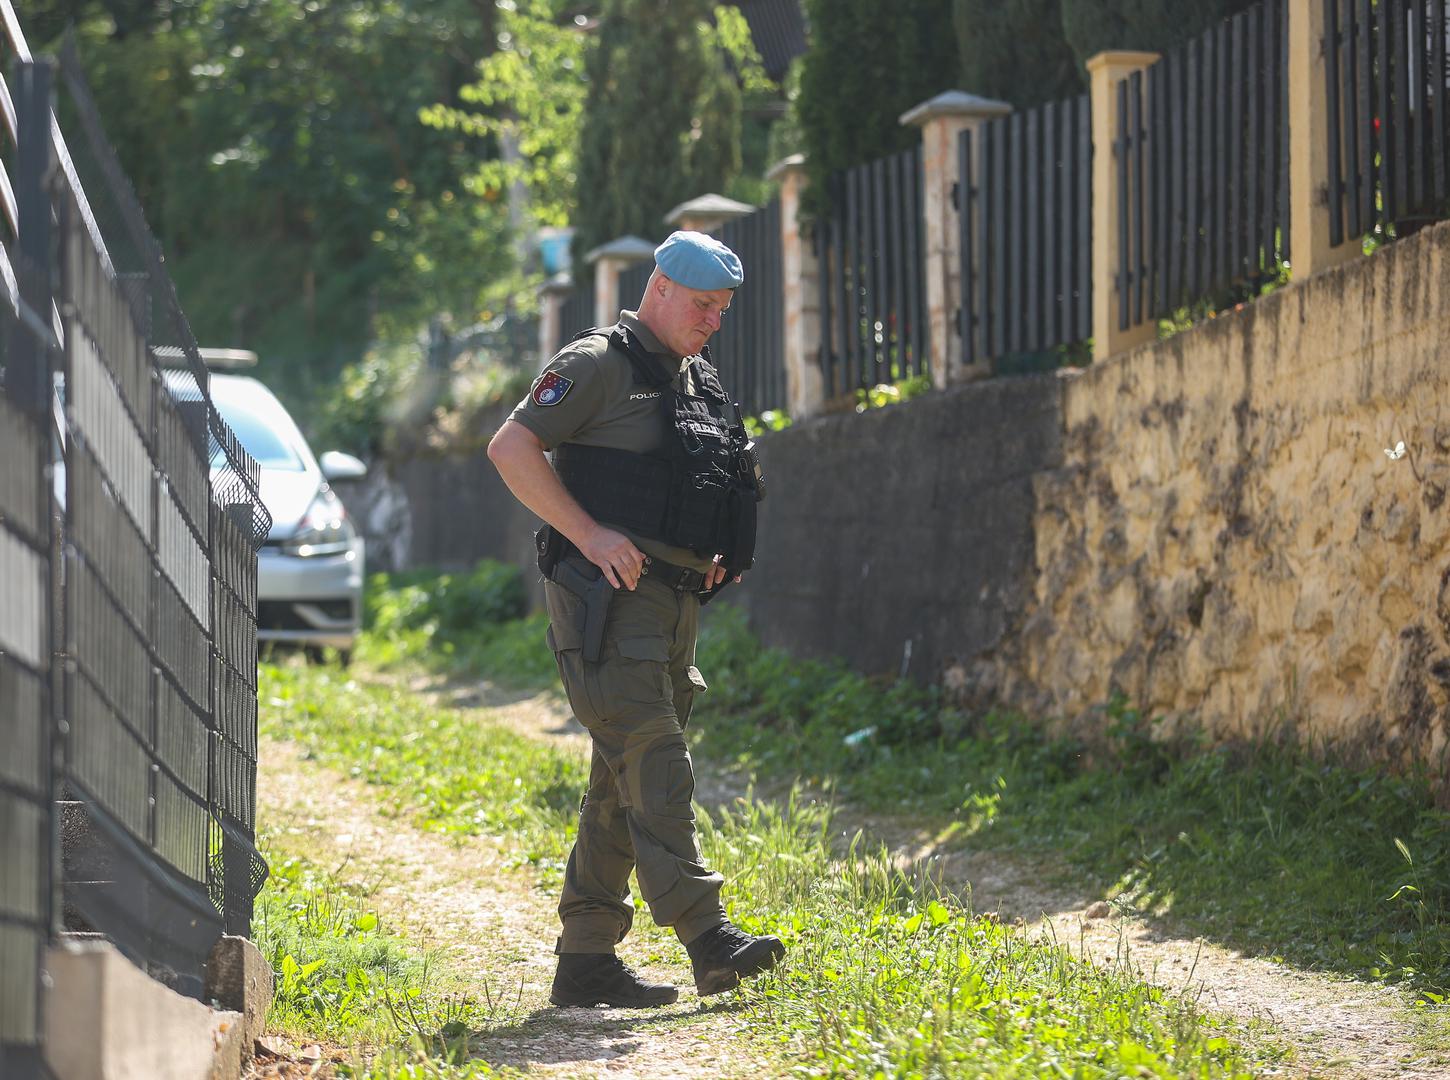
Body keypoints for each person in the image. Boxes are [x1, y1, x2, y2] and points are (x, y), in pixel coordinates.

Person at [486, 230, 783, 1008]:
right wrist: (589, 533)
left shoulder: (696, 379)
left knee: (622, 780)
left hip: (674, 602)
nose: (714, 320)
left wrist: (713, 548)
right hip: (605, 602)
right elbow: (511, 448)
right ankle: (709, 937)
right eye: (703, 305)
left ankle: (585, 962)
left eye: (723, 309)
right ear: (658, 287)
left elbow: (701, 477)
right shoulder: (596, 365)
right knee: (654, 763)